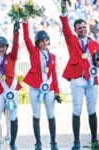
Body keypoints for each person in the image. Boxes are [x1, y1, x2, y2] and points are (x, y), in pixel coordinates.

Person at [60, 0, 99, 149]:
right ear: (75, 30)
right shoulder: (72, 40)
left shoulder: (94, 43)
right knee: (77, 110)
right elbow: (65, 27)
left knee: (92, 110)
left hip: (92, 80)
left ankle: (94, 140)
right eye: (79, 28)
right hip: (77, 80)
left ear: (87, 28)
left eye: (84, 27)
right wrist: (63, 9)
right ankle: (76, 141)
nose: (82, 29)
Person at [22, 20, 61, 150]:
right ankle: (38, 142)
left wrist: (56, 91)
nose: (44, 42)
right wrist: (25, 24)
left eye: (46, 40)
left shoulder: (53, 56)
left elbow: (54, 74)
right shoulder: (33, 52)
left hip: (49, 88)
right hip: (35, 88)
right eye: (41, 41)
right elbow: (26, 38)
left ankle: (53, 142)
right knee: (36, 114)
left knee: (51, 115)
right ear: (37, 43)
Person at [0, 22, 21, 150]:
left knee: (13, 116)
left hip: (12, 90)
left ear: (6, 47)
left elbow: (16, 46)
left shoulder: (12, 57)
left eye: (3, 46)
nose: (1, 48)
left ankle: (13, 144)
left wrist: (16, 32)